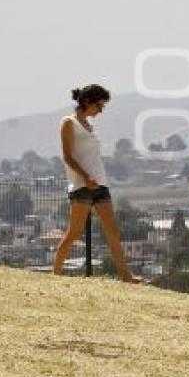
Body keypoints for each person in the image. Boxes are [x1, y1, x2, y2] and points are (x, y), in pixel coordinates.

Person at [53, 84, 138, 282]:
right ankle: (54, 275)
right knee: (73, 233)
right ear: (87, 102)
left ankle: (127, 277)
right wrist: (85, 177)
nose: (101, 110)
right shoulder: (68, 122)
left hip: (101, 185)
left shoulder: (91, 126)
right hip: (82, 186)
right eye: (99, 105)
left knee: (113, 231)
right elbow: (67, 156)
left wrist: (96, 178)